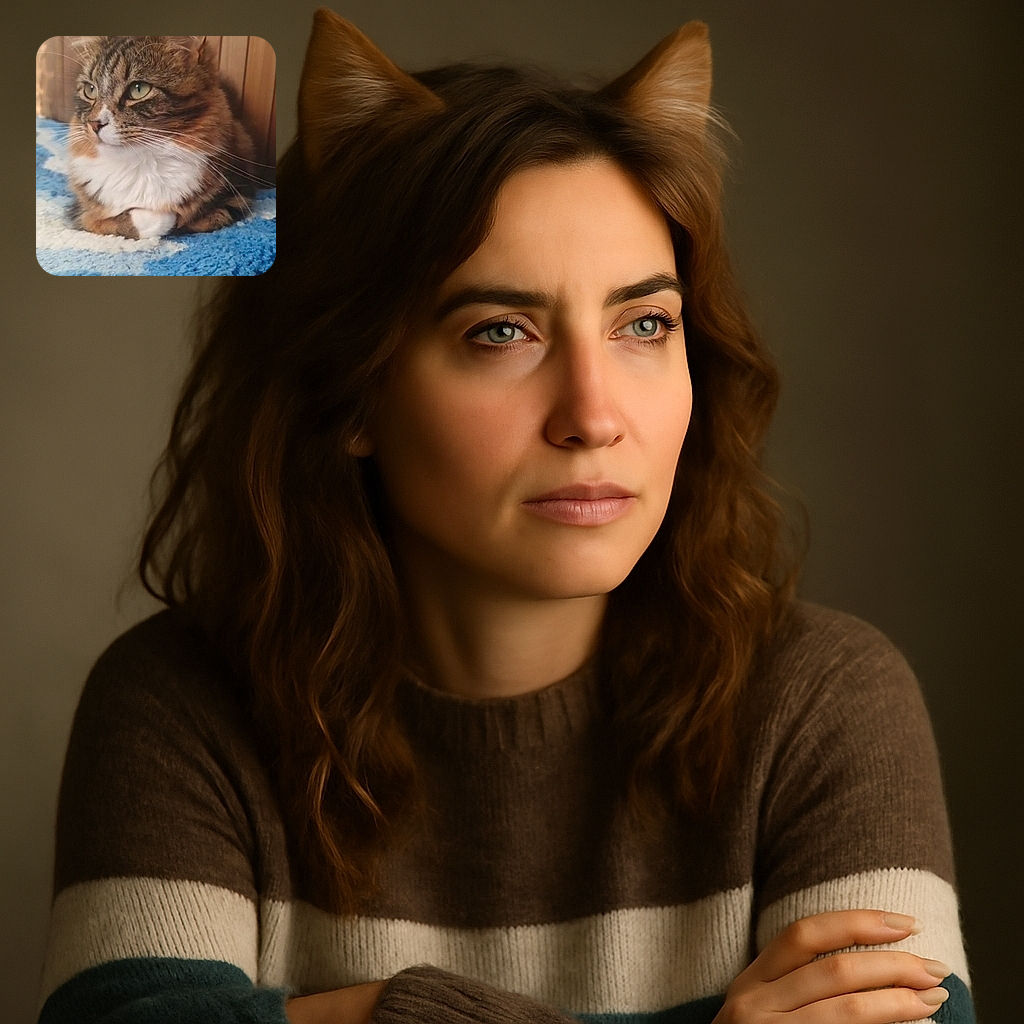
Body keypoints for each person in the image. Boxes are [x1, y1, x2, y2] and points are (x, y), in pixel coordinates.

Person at [37, 9, 974, 1024]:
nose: (594, 415)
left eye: (645, 324)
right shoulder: (177, 708)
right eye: (500, 331)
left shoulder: (823, 704)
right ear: (349, 390)